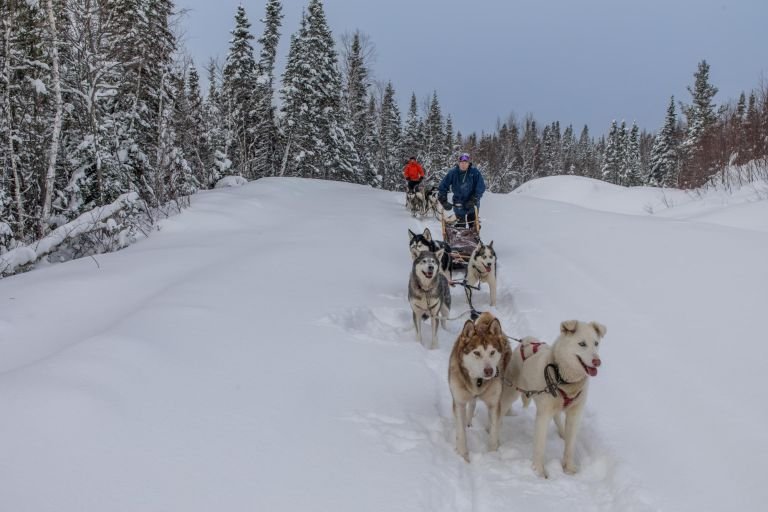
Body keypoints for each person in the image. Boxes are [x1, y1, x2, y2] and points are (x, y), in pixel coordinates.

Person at [438, 152, 486, 228]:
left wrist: (474, 199)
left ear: (469, 163)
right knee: (461, 225)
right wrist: (443, 200)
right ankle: (460, 237)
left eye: (465, 162)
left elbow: (481, 187)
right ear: (459, 163)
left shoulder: (474, 172)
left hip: (472, 203)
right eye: (461, 162)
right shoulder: (453, 173)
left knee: (473, 225)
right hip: (458, 202)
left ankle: (474, 237)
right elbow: (443, 186)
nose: (463, 164)